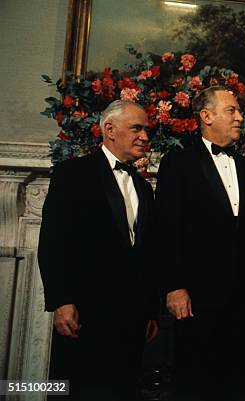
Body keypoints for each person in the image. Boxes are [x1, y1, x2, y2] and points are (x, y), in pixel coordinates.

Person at [155, 86, 245, 401]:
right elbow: (167, 229)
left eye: (238, 110)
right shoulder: (178, 163)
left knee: (242, 383)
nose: (240, 116)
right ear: (206, 116)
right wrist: (175, 286)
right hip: (197, 298)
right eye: (232, 110)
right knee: (197, 383)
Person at [38, 100, 159, 400]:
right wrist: (61, 301)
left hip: (131, 320)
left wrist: (148, 311)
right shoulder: (72, 173)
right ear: (109, 130)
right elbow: (53, 241)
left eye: (147, 129)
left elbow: (146, 254)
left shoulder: (143, 187)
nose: (145, 136)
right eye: (136, 128)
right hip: (84, 313)